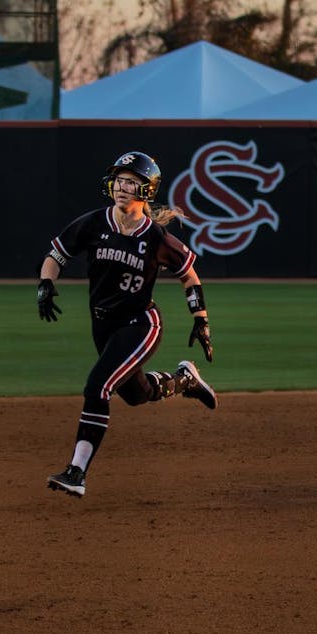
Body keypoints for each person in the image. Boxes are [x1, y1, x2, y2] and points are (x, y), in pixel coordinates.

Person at [38, 151, 217, 498]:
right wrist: (46, 284)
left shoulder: (157, 238)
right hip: (103, 326)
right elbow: (55, 256)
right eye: (119, 179)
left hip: (141, 323)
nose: (121, 187)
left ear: (146, 190)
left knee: (97, 387)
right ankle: (184, 381)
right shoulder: (93, 222)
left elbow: (190, 277)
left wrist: (201, 321)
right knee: (135, 395)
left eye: (131, 181)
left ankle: (76, 472)